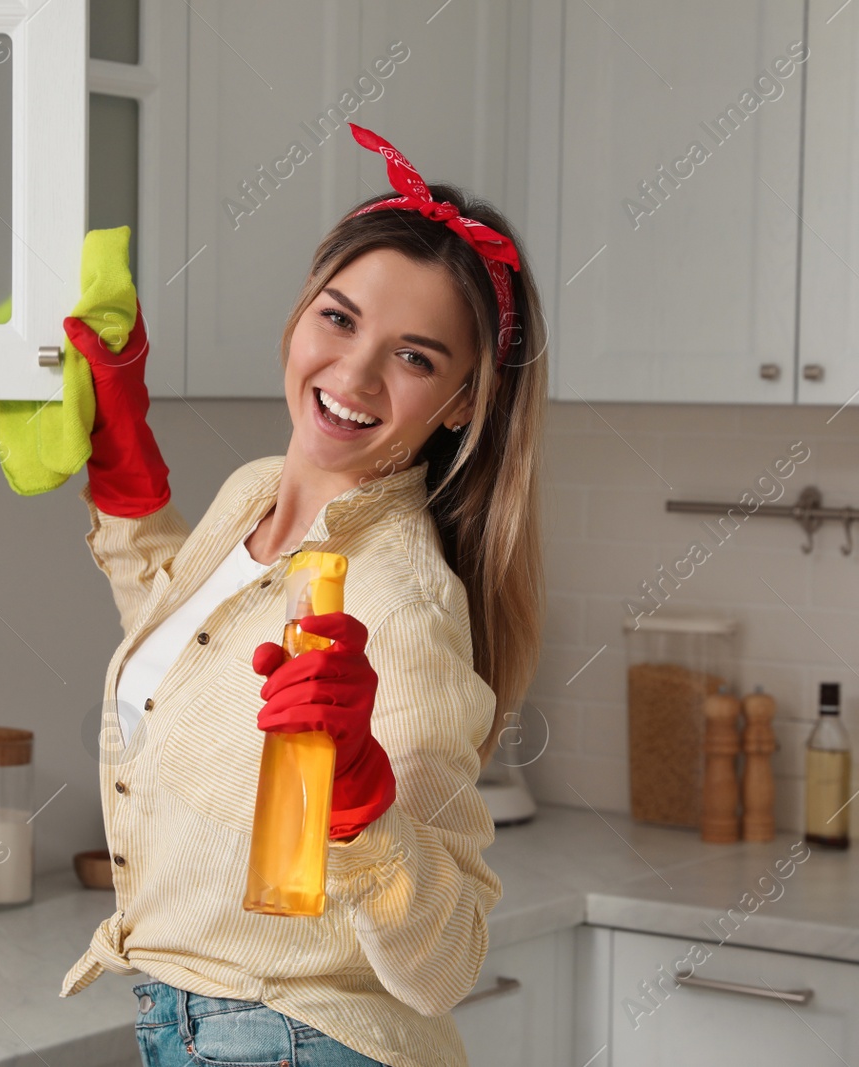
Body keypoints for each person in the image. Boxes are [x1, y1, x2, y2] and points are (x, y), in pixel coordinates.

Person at [59, 122, 548, 1067]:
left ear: (461, 402)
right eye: (339, 317)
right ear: (300, 314)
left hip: (298, 1042)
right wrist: (125, 472)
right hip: (205, 1030)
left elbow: (449, 960)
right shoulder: (253, 492)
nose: (354, 374)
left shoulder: (400, 604)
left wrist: (361, 800)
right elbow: (189, 660)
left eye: (415, 357)